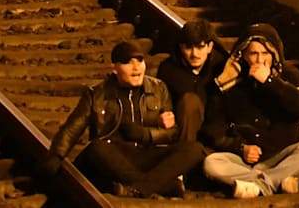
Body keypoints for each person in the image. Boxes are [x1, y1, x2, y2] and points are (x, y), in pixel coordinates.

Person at [40, 40, 204, 198]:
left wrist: (144, 134)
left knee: (195, 149)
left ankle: (138, 188)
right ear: (114, 68)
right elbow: (72, 129)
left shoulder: (158, 89)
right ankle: (162, 187)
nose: (136, 67)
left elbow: (172, 134)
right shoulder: (96, 94)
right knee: (96, 148)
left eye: (140, 60)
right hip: (112, 158)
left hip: (145, 153)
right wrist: (56, 156)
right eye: (128, 62)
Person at [201, 23, 299, 198]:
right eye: (254, 54)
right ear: (244, 55)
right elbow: (213, 127)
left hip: (281, 157)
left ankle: (260, 187)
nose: (259, 60)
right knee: (211, 163)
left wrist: (270, 82)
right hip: (243, 162)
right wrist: (241, 148)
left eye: (265, 54)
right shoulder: (229, 80)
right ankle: (275, 182)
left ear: (274, 54)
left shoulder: (289, 75)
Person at [156, 20, 226, 143]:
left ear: (210, 47)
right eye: (188, 47)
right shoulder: (168, 70)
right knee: (189, 101)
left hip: (215, 133)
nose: (194, 54)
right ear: (180, 47)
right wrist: (161, 117)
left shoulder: (222, 67)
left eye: (200, 47)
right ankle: (186, 152)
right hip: (182, 131)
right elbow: (160, 104)